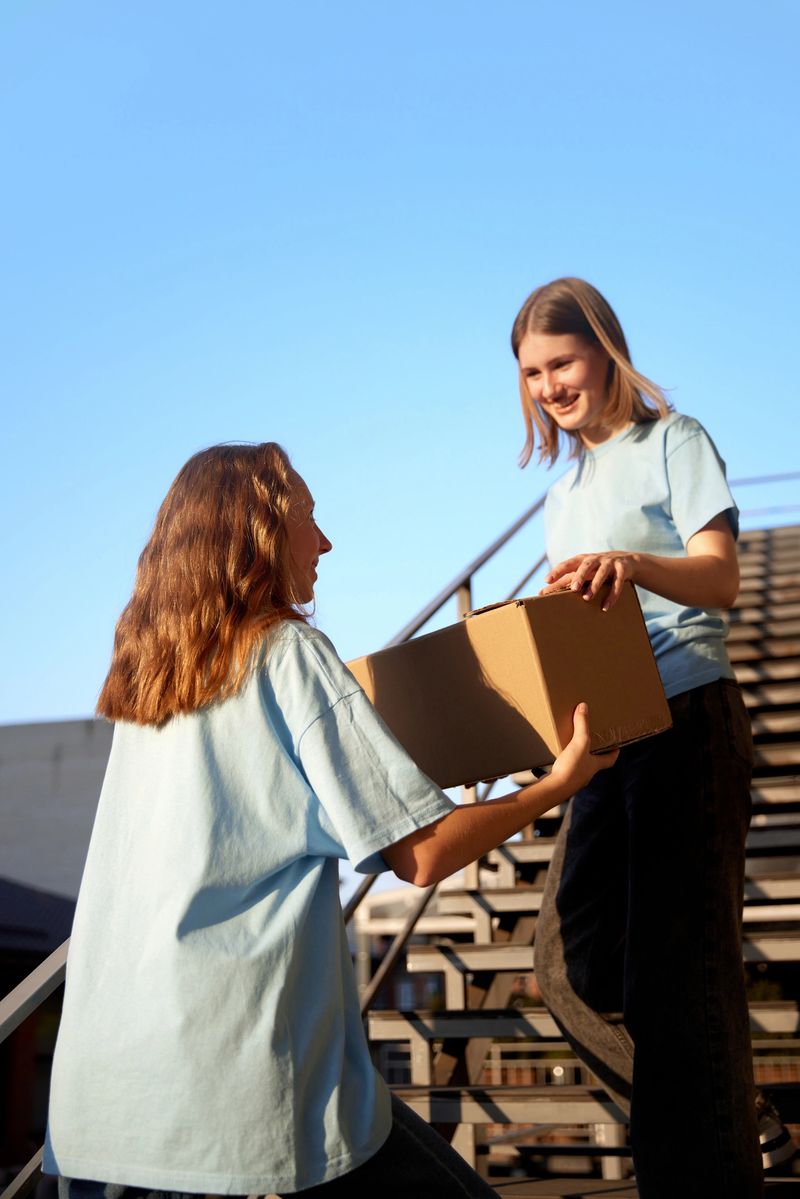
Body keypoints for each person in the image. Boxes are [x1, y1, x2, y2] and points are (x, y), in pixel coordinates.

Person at [44, 441, 617, 1199]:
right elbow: (422, 854)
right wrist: (558, 783)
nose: (325, 541)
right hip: (234, 1095)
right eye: (310, 519)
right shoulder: (286, 651)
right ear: (260, 531)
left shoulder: (146, 681)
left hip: (103, 1104)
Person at [509, 277, 771, 1197]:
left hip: (689, 718)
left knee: (682, 977)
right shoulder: (563, 492)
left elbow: (721, 578)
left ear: (604, 350)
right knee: (569, 964)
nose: (549, 384)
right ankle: (731, 1112)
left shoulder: (676, 441)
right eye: (532, 372)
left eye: (562, 362)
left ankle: (715, 1157)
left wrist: (631, 563)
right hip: (609, 735)